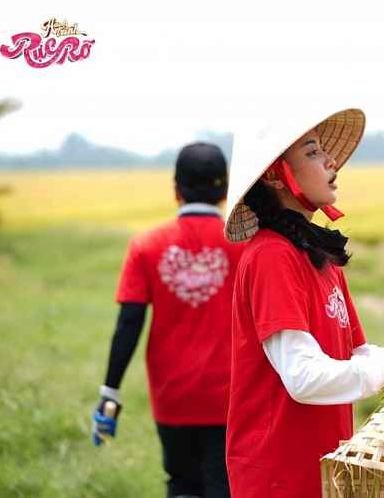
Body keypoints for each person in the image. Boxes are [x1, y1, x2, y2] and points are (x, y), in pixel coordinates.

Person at [222, 107, 384, 497]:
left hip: (322, 471)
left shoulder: (320, 256)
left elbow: (359, 357)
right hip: (277, 479)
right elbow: (304, 378)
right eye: (312, 152)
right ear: (273, 175)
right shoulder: (271, 257)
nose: (331, 161)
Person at [92, 142, 245, 498]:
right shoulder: (245, 245)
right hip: (232, 395)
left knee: (181, 484)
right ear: (225, 191)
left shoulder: (145, 245)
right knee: (224, 485)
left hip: (172, 395)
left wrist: (110, 391)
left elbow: (128, 323)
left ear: (175, 189)